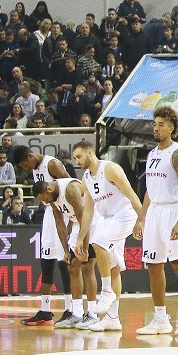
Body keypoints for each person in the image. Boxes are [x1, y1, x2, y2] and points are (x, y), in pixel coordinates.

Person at [134, 106, 178, 337]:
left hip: (173, 212)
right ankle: (161, 319)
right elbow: (149, 190)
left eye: (161, 124)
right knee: (153, 266)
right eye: (154, 124)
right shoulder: (153, 154)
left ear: (171, 128)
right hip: (154, 213)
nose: (156, 128)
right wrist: (141, 218)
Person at [73, 140, 144, 332]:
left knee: (99, 242)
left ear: (89, 153)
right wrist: (80, 238)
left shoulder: (110, 168)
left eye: (79, 157)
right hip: (108, 219)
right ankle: (113, 318)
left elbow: (131, 194)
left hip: (125, 214)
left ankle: (105, 291)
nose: (77, 161)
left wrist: (141, 219)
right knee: (113, 267)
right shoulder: (86, 178)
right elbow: (88, 211)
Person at [13, 145, 77, 326]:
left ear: (30, 156)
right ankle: (45, 310)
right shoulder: (36, 167)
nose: (26, 169)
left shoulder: (52, 164)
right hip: (50, 213)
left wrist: (72, 220)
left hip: (63, 212)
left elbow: (71, 188)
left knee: (65, 261)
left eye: (26, 165)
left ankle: (71, 308)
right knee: (46, 260)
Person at [31, 176, 101, 330]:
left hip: (93, 222)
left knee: (87, 267)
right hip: (78, 225)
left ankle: (92, 314)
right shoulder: (52, 199)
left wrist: (83, 244)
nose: (48, 202)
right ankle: (76, 313)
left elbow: (85, 218)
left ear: (49, 189)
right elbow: (59, 223)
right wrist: (65, 250)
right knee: (72, 267)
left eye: (46, 199)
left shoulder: (70, 190)